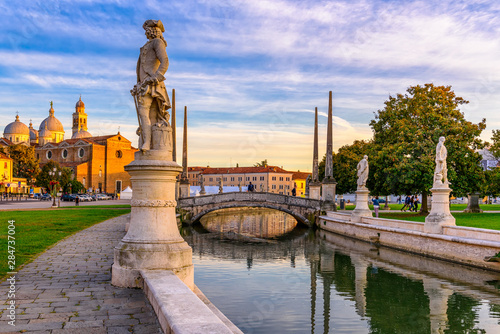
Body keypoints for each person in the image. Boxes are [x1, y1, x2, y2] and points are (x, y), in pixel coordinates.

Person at [131, 20, 171, 152]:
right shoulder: (146, 45)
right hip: (143, 85)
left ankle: (147, 143)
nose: (145, 32)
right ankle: (147, 142)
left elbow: (165, 61)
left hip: (153, 83)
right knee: (149, 114)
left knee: (145, 112)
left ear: (153, 30)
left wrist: (157, 76)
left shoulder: (157, 42)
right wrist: (138, 84)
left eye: (147, 29)